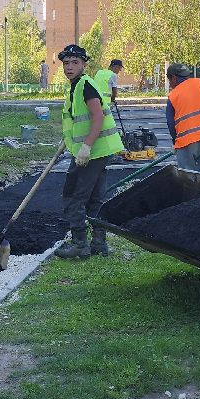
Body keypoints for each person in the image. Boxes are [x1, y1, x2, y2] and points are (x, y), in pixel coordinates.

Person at [55, 43, 124, 259]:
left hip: (92, 151)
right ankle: (99, 244)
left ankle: (80, 245)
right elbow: (78, 120)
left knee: (74, 195)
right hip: (98, 151)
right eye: (66, 63)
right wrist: (69, 140)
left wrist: (86, 147)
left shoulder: (85, 85)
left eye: (75, 62)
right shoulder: (75, 87)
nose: (69, 67)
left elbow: (98, 116)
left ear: (84, 64)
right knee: (96, 197)